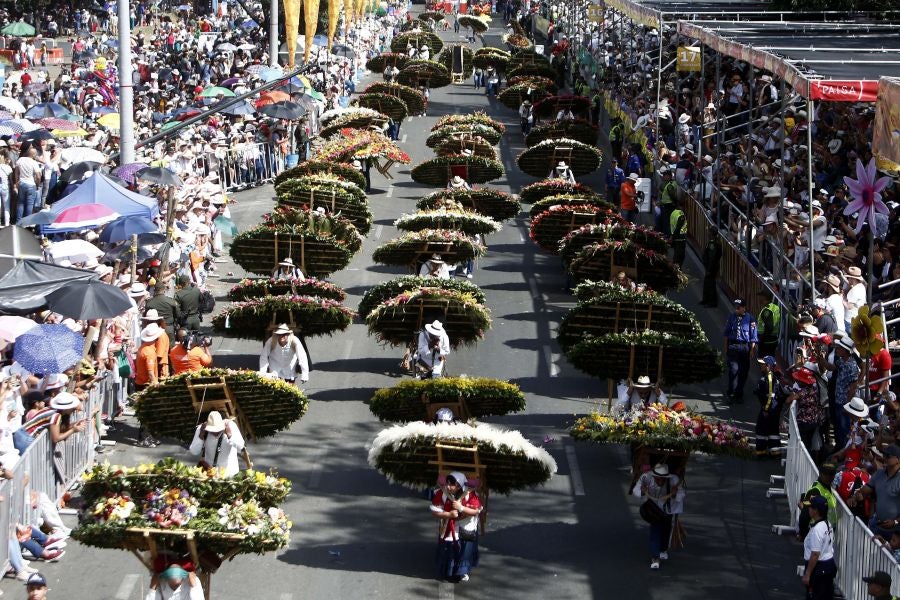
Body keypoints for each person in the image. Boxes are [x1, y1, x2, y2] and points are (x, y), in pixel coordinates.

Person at [430, 471, 482, 582]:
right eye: (447, 483)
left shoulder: (470, 494)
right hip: (448, 527)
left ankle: (463, 571)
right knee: (448, 550)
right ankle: (447, 571)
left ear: (459, 484)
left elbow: (476, 511)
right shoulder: (442, 493)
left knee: (464, 551)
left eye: (452, 484)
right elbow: (434, 512)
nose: (448, 486)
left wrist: (461, 508)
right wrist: (448, 514)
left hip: (465, 527)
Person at [638, 463, 683, 570]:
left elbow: (682, 494)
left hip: (668, 509)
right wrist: (642, 490)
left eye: (663, 479)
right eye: (658, 479)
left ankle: (663, 549)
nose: (660, 481)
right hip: (654, 509)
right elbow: (636, 490)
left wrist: (675, 493)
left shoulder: (674, 480)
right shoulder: (646, 478)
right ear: (654, 476)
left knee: (666, 529)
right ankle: (655, 557)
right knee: (655, 530)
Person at [852, 444, 900, 539]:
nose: (884, 458)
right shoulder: (879, 474)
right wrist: (855, 496)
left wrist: (895, 522)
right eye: (884, 455)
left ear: (898, 459)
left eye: (888, 456)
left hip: (896, 532)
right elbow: (863, 492)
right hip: (877, 526)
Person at [188, 411, 245, 477]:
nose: (215, 432)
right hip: (210, 474)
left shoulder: (231, 426)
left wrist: (230, 435)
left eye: (218, 429)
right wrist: (201, 436)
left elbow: (241, 447)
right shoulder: (202, 429)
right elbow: (194, 451)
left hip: (230, 474)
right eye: (212, 430)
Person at [723, 298, 758, 403]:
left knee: (743, 372)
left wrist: (752, 350)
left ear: (744, 308)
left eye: (738, 308)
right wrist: (726, 347)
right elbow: (726, 333)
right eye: (736, 307)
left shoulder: (750, 319)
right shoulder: (731, 317)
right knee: (733, 370)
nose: (736, 309)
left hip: (744, 347)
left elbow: (753, 337)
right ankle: (731, 392)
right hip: (733, 346)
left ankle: (739, 393)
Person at [802, 495, 836, 600]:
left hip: (819, 569)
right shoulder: (827, 523)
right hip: (828, 565)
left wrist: (807, 574)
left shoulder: (817, 529)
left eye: (810, 507)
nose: (808, 509)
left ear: (816, 511)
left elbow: (815, 554)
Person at [753, 356, 783, 457]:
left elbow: (771, 396)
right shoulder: (771, 377)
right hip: (773, 409)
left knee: (762, 428)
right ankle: (775, 451)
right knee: (773, 430)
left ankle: (761, 451)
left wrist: (766, 409)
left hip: (769, 409)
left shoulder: (769, 378)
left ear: (768, 366)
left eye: (763, 364)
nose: (760, 365)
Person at [700, 227, 722, 306]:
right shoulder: (711, 242)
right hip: (709, 266)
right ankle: (705, 299)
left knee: (711, 284)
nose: (707, 233)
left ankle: (712, 302)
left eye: (709, 232)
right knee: (707, 282)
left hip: (712, 267)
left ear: (711, 233)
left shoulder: (714, 243)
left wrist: (709, 268)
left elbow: (712, 257)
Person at [669, 199, 687, 267]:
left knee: (676, 254)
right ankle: (677, 271)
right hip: (680, 238)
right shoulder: (681, 215)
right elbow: (678, 227)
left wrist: (671, 236)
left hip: (675, 237)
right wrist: (672, 236)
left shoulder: (673, 213)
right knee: (680, 256)